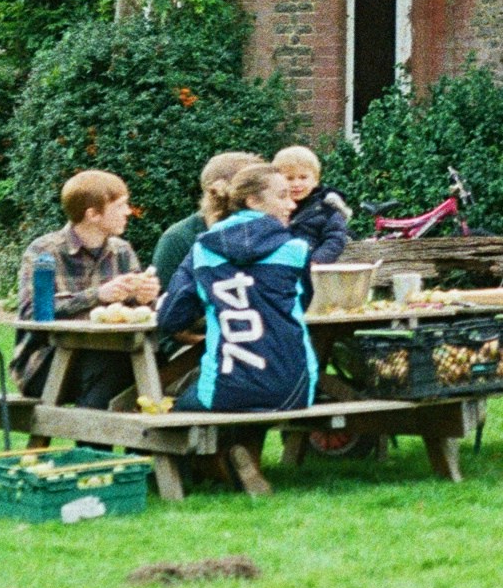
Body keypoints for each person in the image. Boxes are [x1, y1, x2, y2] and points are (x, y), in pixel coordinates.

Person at [155, 158, 319, 413]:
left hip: (224, 389)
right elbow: (302, 303)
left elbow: (170, 319)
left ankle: (225, 453)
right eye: (282, 196)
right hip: (292, 392)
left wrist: (212, 301)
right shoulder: (296, 250)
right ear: (252, 201)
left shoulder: (202, 249)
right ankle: (238, 453)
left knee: (173, 418)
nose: (292, 204)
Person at [13, 169, 162, 408]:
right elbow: (32, 311)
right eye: (121, 205)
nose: (128, 212)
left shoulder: (122, 250)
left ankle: (136, 443)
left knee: (157, 359)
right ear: (93, 214)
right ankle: (93, 444)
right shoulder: (44, 251)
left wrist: (145, 298)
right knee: (108, 363)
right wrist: (97, 295)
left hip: (110, 355)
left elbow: (135, 312)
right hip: (45, 363)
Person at [150, 150, 256, 291]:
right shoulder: (178, 239)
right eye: (249, 186)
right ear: (220, 189)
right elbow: (166, 299)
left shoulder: (261, 231)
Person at [272, 143, 352, 265]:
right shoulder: (271, 208)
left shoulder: (326, 209)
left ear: (315, 180)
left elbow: (335, 237)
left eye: (303, 177)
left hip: (311, 270)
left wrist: (317, 260)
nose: (296, 184)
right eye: (289, 178)